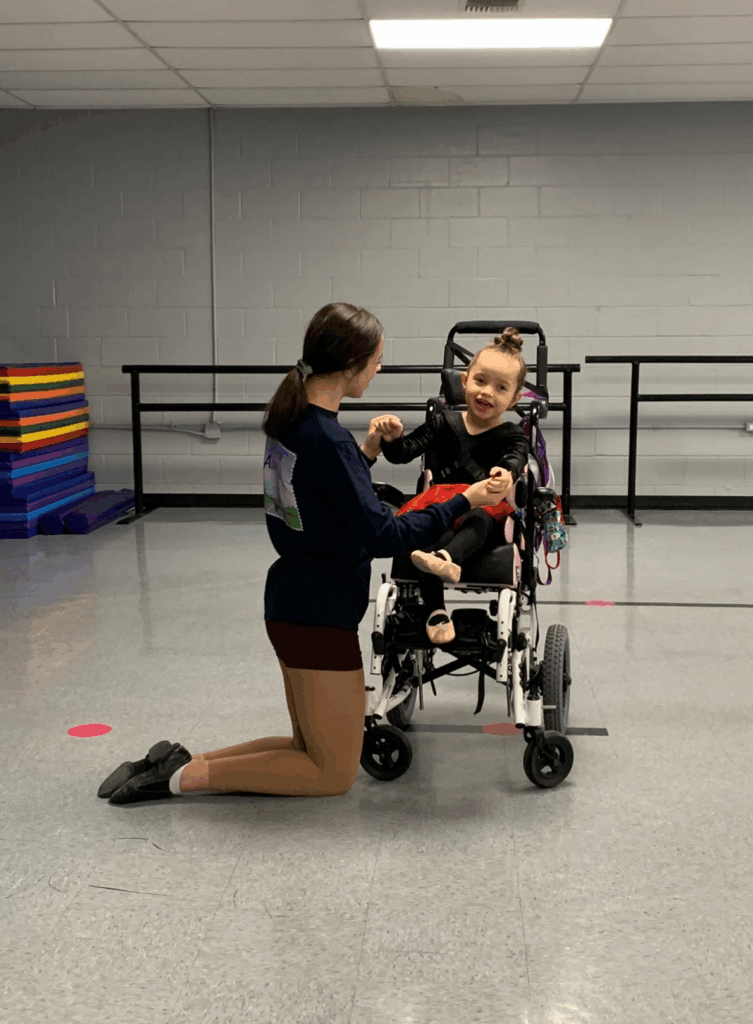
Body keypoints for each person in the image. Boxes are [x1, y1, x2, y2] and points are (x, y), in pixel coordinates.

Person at [98, 302, 506, 805]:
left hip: (293, 601)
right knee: (332, 773)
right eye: (376, 360)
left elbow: (324, 495)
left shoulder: (293, 425)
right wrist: (464, 500)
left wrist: (368, 454)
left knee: (306, 746)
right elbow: (383, 536)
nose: (378, 369)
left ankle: (182, 762)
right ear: (351, 364)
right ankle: (177, 780)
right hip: (319, 612)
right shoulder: (327, 440)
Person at [369, 327, 529, 645]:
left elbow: (515, 457)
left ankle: (447, 559)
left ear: (514, 399)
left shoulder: (512, 434)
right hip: (441, 505)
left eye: (500, 388)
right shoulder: (443, 422)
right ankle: (436, 611)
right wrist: (391, 437)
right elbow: (403, 452)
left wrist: (507, 473)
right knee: (427, 533)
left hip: (484, 507)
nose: (486, 393)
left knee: (478, 520)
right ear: (465, 380)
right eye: (481, 381)